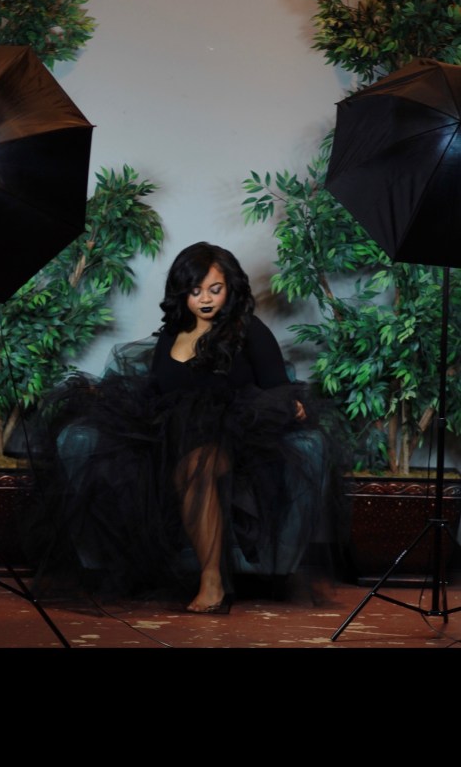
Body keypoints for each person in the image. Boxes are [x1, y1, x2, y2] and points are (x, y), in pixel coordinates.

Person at [26, 242, 326, 612]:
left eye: (215, 289)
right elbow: (157, 390)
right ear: (182, 292)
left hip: (233, 439)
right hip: (168, 437)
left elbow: (277, 386)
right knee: (128, 462)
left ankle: (212, 581)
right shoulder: (172, 332)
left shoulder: (248, 329)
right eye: (195, 290)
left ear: (230, 288)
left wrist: (290, 405)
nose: (205, 299)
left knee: (197, 466)